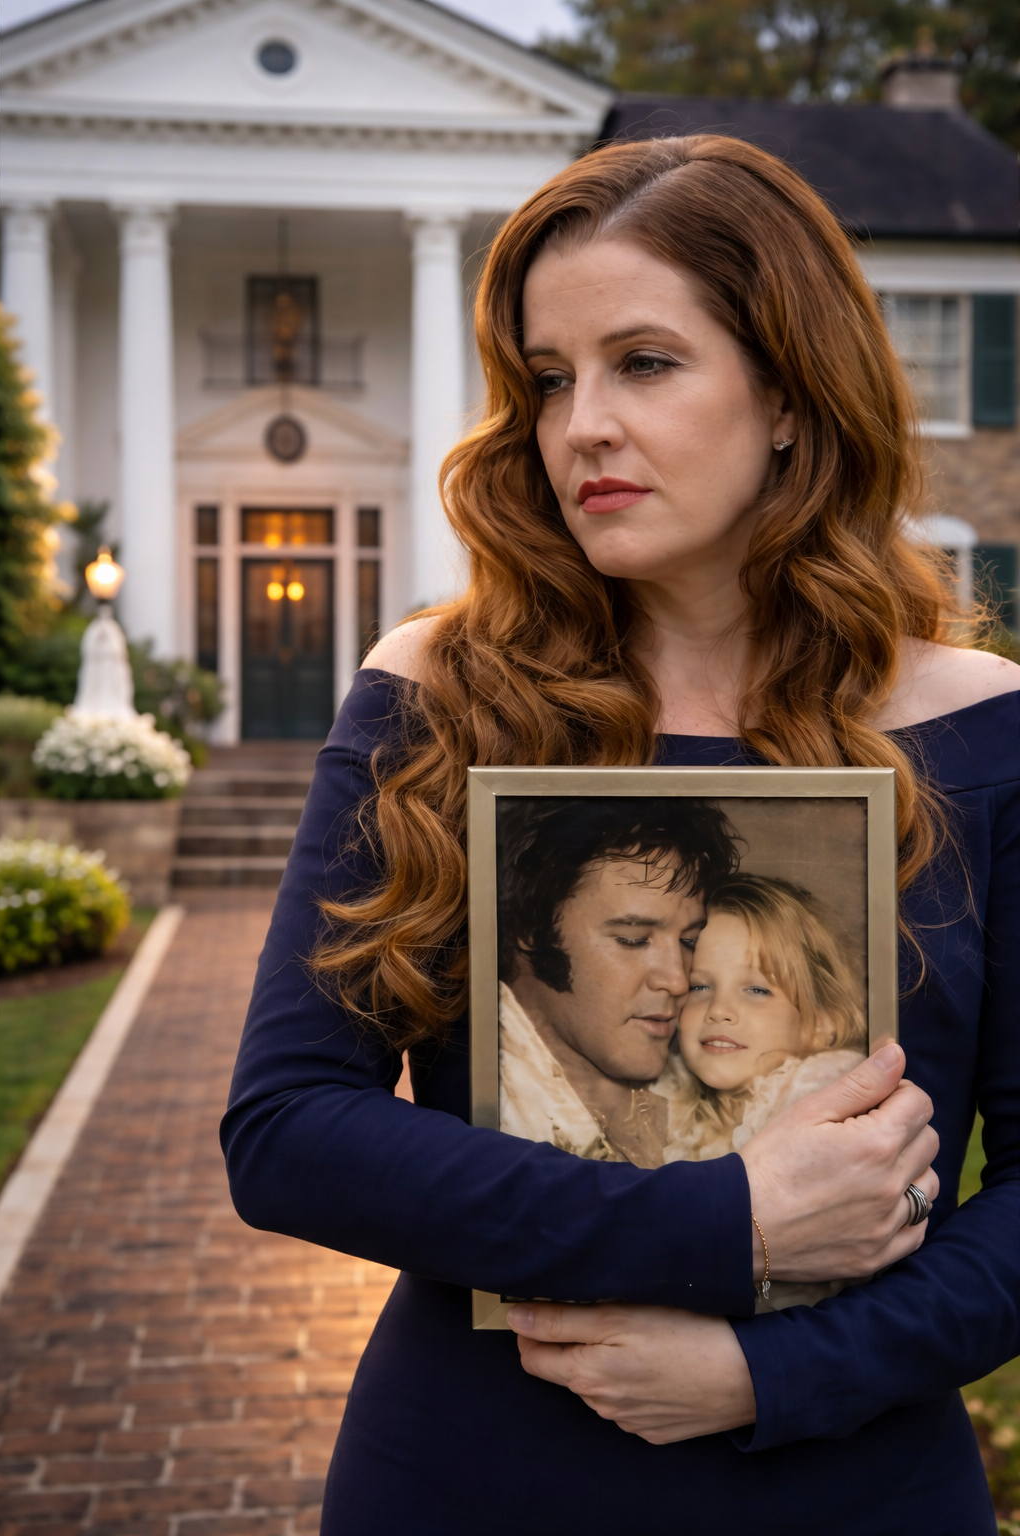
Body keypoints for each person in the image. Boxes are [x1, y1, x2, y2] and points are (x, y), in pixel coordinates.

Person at [222, 134, 1019, 1535]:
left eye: (644, 363)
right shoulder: (436, 693)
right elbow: (289, 1128)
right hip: (471, 1477)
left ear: (789, 394)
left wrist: (772, 1374)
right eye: (548, 378)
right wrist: (723, 1226)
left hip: (855, 1488)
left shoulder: (986, 730)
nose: (581, 424)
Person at [496, 798, 738, 1167]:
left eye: (689, 941)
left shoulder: (720, 1082)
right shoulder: (479, 1096)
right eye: (633, 939)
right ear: (531, 927)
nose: (677, 981)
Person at [667, 874, 868, 1312]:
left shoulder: (820, 1105)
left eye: (756, 989)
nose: (719, 1010)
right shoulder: (664, 1104)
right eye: (700, 986)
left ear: (823, 1021)